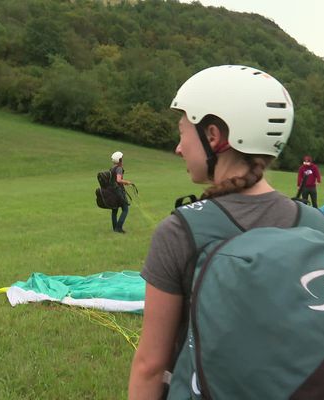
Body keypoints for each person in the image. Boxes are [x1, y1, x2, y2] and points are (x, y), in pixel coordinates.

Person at [128, 65, 298, 399]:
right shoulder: (314, 223)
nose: (178, 148)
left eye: (182, 133)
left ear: (213, 137)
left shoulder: (180, 231)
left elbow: (150, 366)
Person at [110, 151, 132, 233]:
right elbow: (118, 180)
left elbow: (114, 181)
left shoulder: (112, 168)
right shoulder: (119, 168)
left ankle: (115, 228)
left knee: (114, 210)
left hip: (112, 191)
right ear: (120, 160)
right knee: (125, 209)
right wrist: (126, 182)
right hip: (118, 192)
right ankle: (119, 228)